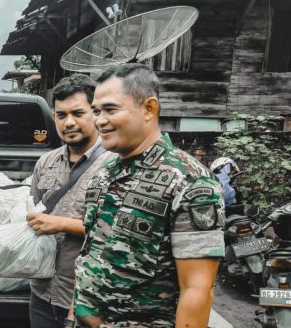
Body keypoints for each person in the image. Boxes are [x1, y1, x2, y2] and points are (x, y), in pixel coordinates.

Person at [73, 64, 225, 327]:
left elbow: (197, 289)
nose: (99, 120)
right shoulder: (104, 174)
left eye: (110, 109)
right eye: (96, 111)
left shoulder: (188, 181)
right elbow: (89, 255)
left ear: (149, 109)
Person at [25, 74, 116, 328]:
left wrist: (62, 224)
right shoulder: (46, 162)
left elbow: (120, 233)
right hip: (42, 293)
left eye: (78, 113)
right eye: (61, 115)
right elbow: (34, 214)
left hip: (89, 299)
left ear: (95, 113)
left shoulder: (113, 165)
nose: (69, 123)